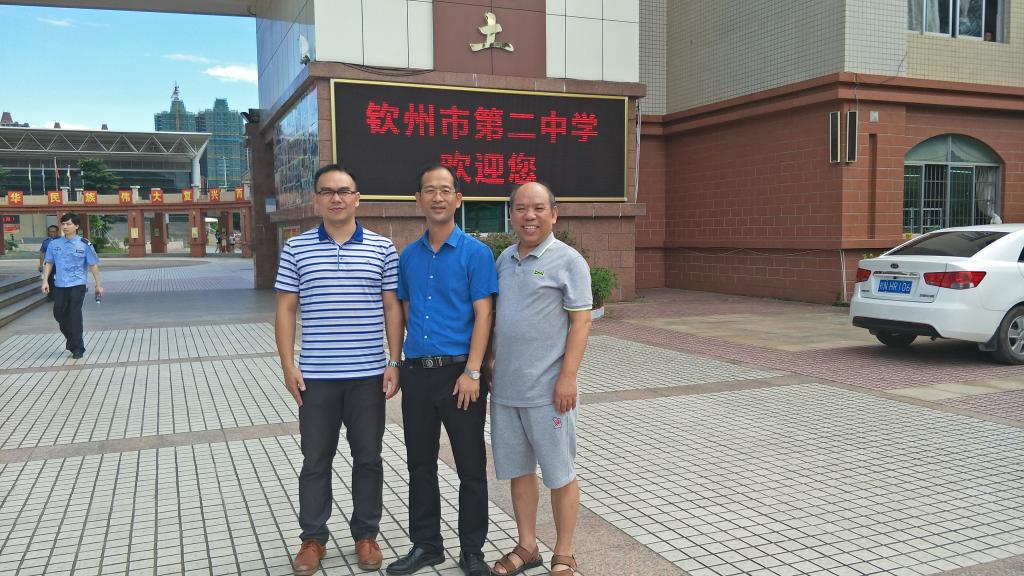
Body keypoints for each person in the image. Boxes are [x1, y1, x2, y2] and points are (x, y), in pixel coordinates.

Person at [274, 164, 404, 575]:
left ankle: (366, 534)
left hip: (368, 376)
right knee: (315, 459)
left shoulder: (382, 248)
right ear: (316, 199)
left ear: (357, 198)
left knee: (368, 457)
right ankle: (313, 538)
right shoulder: (296, 249)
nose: (336, 198)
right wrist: (288, 365)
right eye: (328, 191)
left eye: (344, 191)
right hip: (316, 377)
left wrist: (394, 361)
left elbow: (392, 307)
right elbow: (285, 309)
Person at [386, 165, 496, 576]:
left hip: (460, 376)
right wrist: (398, 362)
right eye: (429, 190)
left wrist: (472, 371)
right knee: (420, 464)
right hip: (418, 374)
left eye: (445, 190)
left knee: (470, 466)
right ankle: (427, 545)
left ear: (458, 199)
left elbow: (484, 315)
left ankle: (472, 551)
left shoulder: (475, 253)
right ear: (418, 199)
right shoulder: (408, 256)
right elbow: (405, 310)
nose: (437, 197)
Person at [488, 182, 592, 576]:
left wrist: (568, 376)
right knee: (518, 472)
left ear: (554, 214)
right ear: (511, 214)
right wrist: (490, 359)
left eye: (537, 208)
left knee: (559, 474)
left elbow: (581, 322)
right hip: (506, 390)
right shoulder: (505, 259)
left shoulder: (569, 260)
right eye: (520, 208)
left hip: (549, 392)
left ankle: (563, 552)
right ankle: (527, 545)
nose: (528, 216)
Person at [42, 213, 103, 359]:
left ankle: (78, 348)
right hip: (59, 285)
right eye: (63, 224)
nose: (65, 226)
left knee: (74, 314)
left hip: (77, 284)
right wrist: (45, 281)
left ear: (76, 226)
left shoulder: (84, 244)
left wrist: (98, 285)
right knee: (58, 313)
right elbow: (49, 262)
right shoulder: (54, 244)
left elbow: (93, 265)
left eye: (68, 224)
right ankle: (72, 341)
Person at [38, 224, 60, 302]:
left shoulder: (62, 241)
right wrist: (40, 265)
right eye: (50, 231)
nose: (52, 233)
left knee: (59, 280)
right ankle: (50, 296)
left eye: (54, 231)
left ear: (57, 232)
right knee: (49, 280)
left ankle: (60, 295)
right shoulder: (46, 242)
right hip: (49, 265)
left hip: (60, 265)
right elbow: (42, 254)